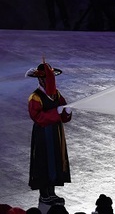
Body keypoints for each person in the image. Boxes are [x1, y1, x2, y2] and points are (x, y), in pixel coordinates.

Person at [26, 59, 72, 205]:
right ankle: (43, 193)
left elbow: (63, 111)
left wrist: (66, 112)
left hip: (55, 133)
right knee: (43, 160)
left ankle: (51, 192)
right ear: (40, 79)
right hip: (43, 133)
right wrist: (56, 113)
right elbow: (37, 117)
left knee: (54, 160)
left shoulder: (56, 94)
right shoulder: (36, 97)